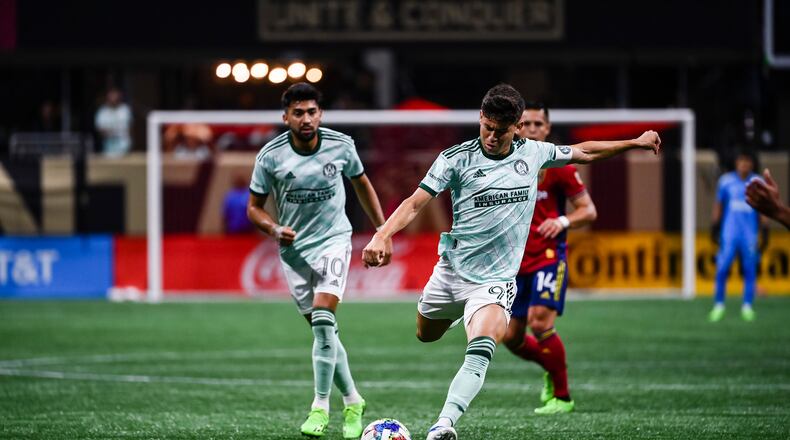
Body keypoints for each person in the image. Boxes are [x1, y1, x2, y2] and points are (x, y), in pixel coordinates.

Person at [362, 84, 660, 440]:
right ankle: (461, 314)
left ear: (517, 126)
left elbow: (584, 152)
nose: (491, 136)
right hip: (452, 272)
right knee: (426, 334)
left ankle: (443, 425)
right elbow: (414, 202)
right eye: (486, 127)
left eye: (500, 130)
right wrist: (382, 234)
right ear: (480, 118)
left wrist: (635, 142)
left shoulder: (534, 153)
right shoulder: (455, 158)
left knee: (484, 345)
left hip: (496, 280)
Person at [247, 83, 386, 439]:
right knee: (324, 333)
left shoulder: (341, 145)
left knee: (324, 321)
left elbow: (362, 184)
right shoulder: (271, 156)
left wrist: (382, 231)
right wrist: (275, 229)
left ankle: (320, 407)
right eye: (298, 113)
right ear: (286, 117)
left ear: (320, 114)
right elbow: (253, 208)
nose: (306, 119)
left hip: (334, 241)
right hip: (293, 251)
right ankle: (353, 399)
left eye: (311, 112)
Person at [503, 103, 598, 415]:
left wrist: (563, 221)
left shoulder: (562, 166)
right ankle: (550, 365)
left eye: (537, 124)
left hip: (548, 257)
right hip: (514, 263)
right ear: (516, 128)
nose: (531, 129)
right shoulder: (505, 163)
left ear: (547, 129)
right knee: (510, 337)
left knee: (539, 321)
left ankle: (563, 396)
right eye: (525, 123)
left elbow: (588, 210)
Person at [709, 151, 767, 322]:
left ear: (751, 164)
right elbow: (719, 205)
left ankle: (747, 306)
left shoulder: (758, 182)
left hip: (750, 234)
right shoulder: (726, 181)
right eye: (741, 160)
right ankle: (719, 305)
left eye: (747, 161)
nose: (744, 164)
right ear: (736, 162)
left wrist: (765, 229)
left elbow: (763, 207)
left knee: (750, 270)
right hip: (729, 233)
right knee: (722, 268)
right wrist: (714, 226)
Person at [94, 88, 132, 156]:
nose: (113, 99)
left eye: (115, 97)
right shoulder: (103, 111)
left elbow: (128, 128)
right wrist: (112, 132)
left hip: (124, 146)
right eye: (111, 97)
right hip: (108, 147)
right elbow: (100, 129)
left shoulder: (125, 109)